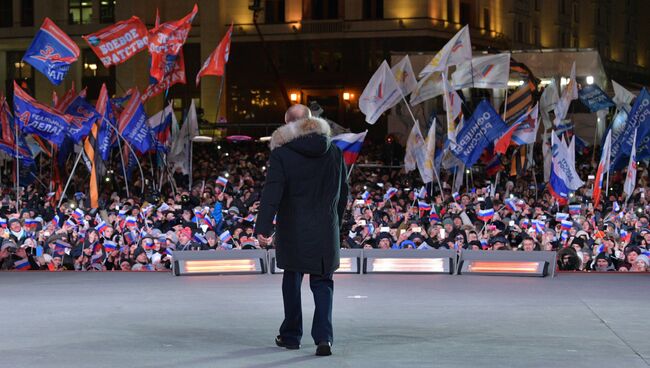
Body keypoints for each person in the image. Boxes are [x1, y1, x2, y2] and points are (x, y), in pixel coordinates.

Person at [256, 104, 349, 357]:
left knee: (292, 280)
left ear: (288, 125)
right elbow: (343, 195)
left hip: (293, 228)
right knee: (323, 283)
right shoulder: (334, 153)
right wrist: (334, 224)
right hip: (324, 229)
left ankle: (291, 336)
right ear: (310, 121)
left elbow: (272, 193)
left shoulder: (282, 154)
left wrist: (263, 228)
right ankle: (324, 338)